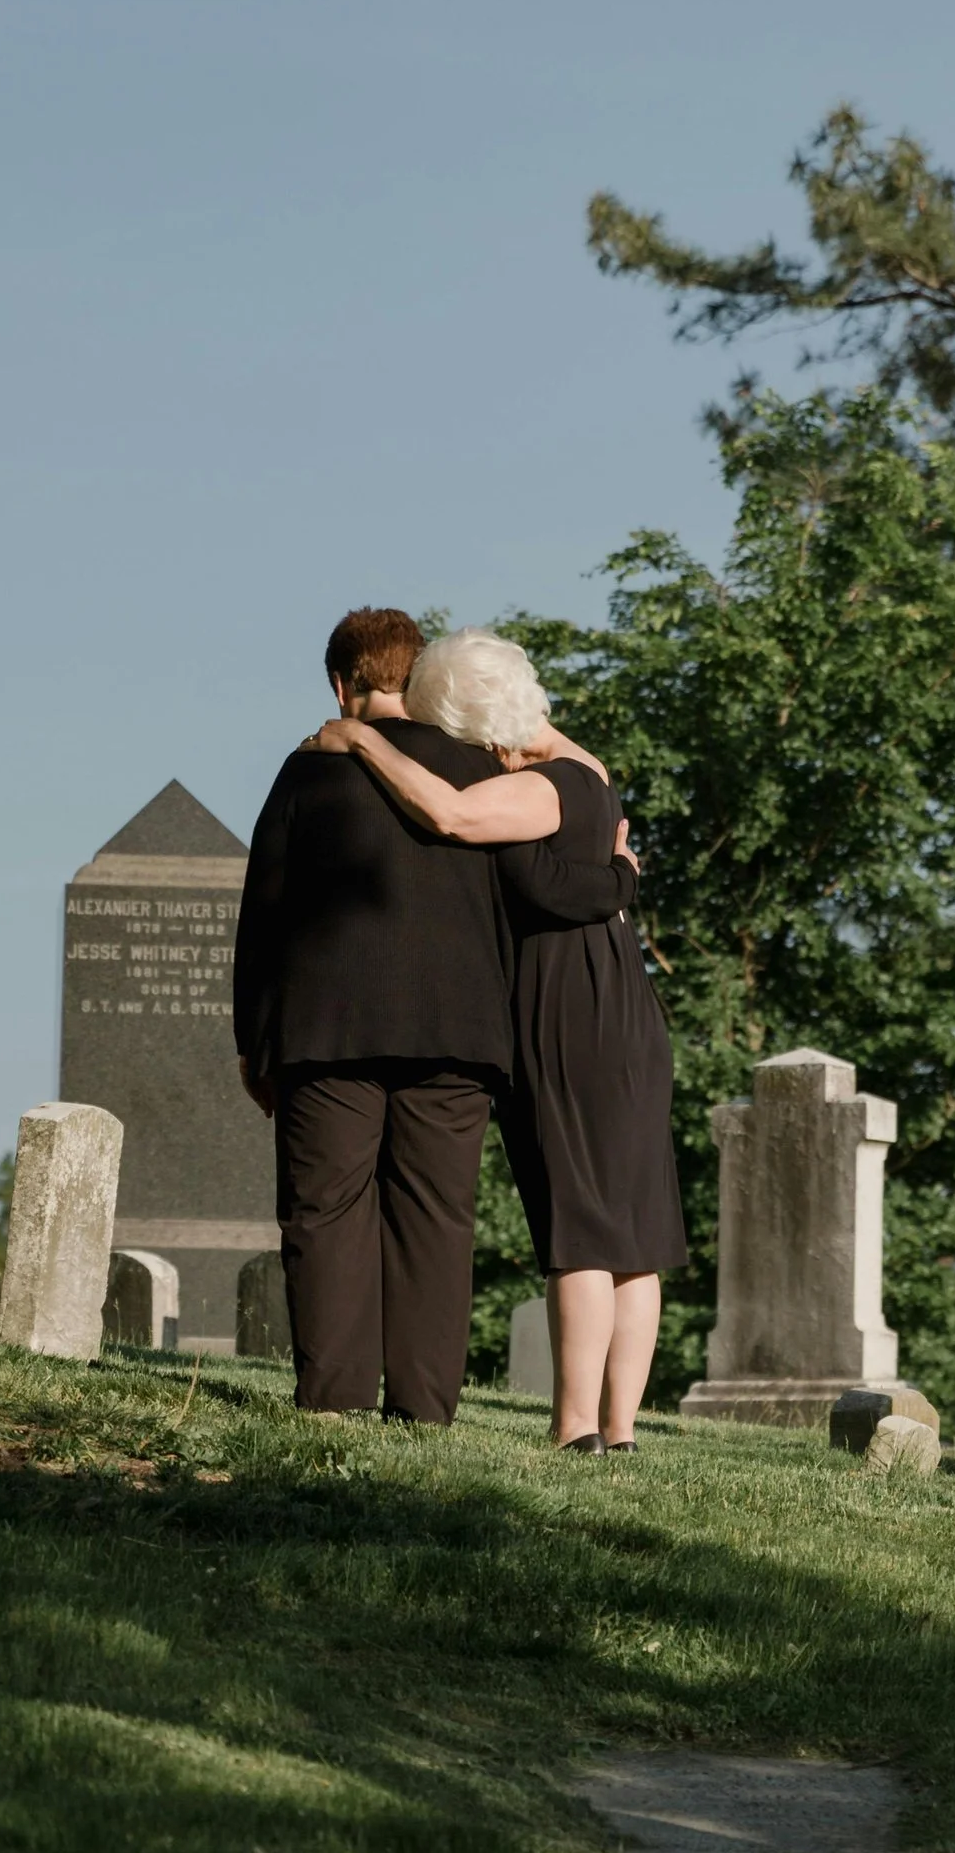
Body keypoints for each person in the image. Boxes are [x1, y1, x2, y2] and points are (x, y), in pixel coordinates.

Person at [233, 608, 634, 1423]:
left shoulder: (310, 769)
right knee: (436, 1218)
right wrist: (621, 877)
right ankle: (423, 1411)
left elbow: (264, 911)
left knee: (327, 1211)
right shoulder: (482, 772)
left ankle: (333, 1401)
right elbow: (537, 886)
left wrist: (254, 1042)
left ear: (340, 684)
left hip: (326, 1028)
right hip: (460, 1032)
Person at [306, 629, 685, 1451]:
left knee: (582, 1223)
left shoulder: (541, 791)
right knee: (634, 1233)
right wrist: (619, 877)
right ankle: (619, 1430)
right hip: (619, 1002)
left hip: (566, 1007)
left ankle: (575, 1426)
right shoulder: (588, 775)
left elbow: (446, 813)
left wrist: (364, 737)